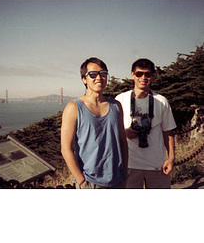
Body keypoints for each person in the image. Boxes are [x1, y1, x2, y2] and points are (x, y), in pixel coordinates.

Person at [61, 57, 128, 189]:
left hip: (118, 180)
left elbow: (122, 141)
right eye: (93, 74)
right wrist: (81, 181)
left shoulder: (116, 106)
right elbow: (66, 149)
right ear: (84, 79)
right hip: (90, 182)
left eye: (103, 74)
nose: (99, 78)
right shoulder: (73, 108)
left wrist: (125, 171)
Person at [115, 58, 176, 189]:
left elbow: (168, 133)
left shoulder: (161, 101)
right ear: (132, 75)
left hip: (157, 165)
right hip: (128, 165)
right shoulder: (120, 99)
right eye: (139, 74)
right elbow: (113, 130)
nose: (143, 77)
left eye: (147, 74)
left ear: (152, 76)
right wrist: (125, 132)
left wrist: (171, 159)